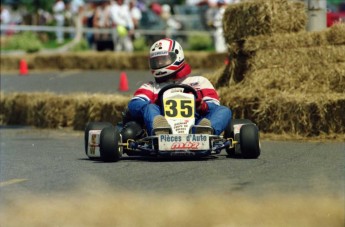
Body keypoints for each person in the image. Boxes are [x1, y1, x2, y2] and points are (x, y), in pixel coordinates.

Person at [127, 38, 232, 136]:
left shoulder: (199, 81)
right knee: (149, 107)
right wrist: (156, 103)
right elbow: (134, 105)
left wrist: (202, 105)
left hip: (195, 128)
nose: (159, 63)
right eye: (156, 61)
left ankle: (204, 132)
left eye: (164, 59)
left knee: (224, 110)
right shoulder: (151, 86)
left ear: (177, 56)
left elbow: (214, 105)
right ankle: (161, 131)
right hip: (164, 128)